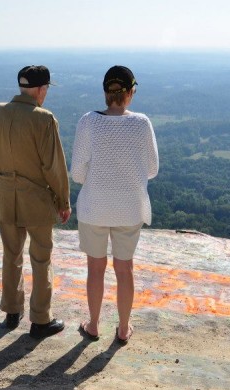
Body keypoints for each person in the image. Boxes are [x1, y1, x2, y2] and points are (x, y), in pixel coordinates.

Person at [70, 65, 159, 345]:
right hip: (130, 207)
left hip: (94, 207)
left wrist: (100, 180)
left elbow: (77, 173)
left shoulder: (88, 122)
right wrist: (127, 178)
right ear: (130, 93)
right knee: (125, 269)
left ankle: (94, 325)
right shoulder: (142, 123)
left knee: (95, 268)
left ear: (106, 93)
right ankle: (122, 328)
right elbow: (153, 169)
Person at [0, 65, 71, 339]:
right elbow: (53, 167)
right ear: (40, 89)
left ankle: (11, 312)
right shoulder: (44, 119)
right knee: (41, 258)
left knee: (11, 255)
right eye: (45, 88)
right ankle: (41, 320)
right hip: (35, 199)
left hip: (5, 195)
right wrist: (63, 201)